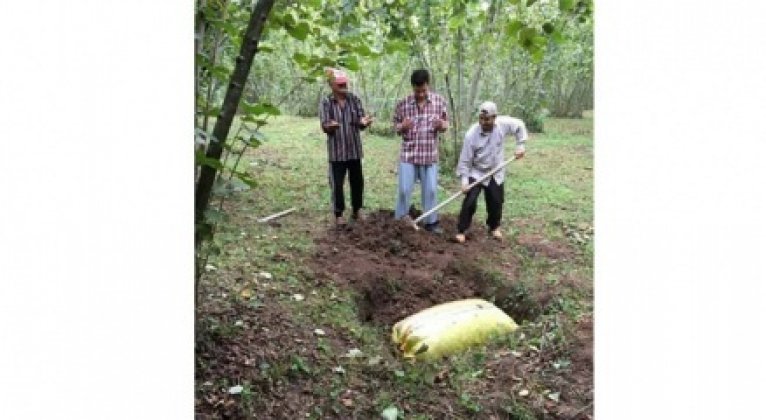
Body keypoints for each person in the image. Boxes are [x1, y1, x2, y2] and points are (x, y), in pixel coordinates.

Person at [454, 101, 527, 243]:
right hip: (476, 171)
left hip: (496, 170)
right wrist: (464, 181)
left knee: (496, 201)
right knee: (470, 200)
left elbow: (520, 126)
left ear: (494, 117)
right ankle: (462, 230)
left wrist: (520, 145)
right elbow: (465, 160)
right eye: (481, 119)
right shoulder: (471, 135)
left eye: (487, 119)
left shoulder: (503, 124)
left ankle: (494, 227)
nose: (483, 122)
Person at [392, 69, 449, 233]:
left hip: (429, 154)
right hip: (409, 155)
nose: (421, 94)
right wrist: (402, 126)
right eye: (417, 91)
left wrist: (442, 126)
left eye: (423, 90)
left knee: (430, 190)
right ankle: (400, 221)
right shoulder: (403, 104)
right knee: (404, 190)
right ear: (412, 88)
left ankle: (431, 222)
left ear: (428, 85)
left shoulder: (439, 102)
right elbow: (395, 126)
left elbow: (445, 124)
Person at [319, 68, 374, 226]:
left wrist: (363, 122)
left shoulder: (354, 99)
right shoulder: (326, 102)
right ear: (332, 85)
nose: (344, 86)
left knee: (357, 181)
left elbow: (360, 120)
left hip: (354, 149)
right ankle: (338, 214)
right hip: (337, 151)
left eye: (345, 83)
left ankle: (357, 209)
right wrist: (330, 126)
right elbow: (324, 125)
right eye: (340, 84)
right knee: (337, 183)